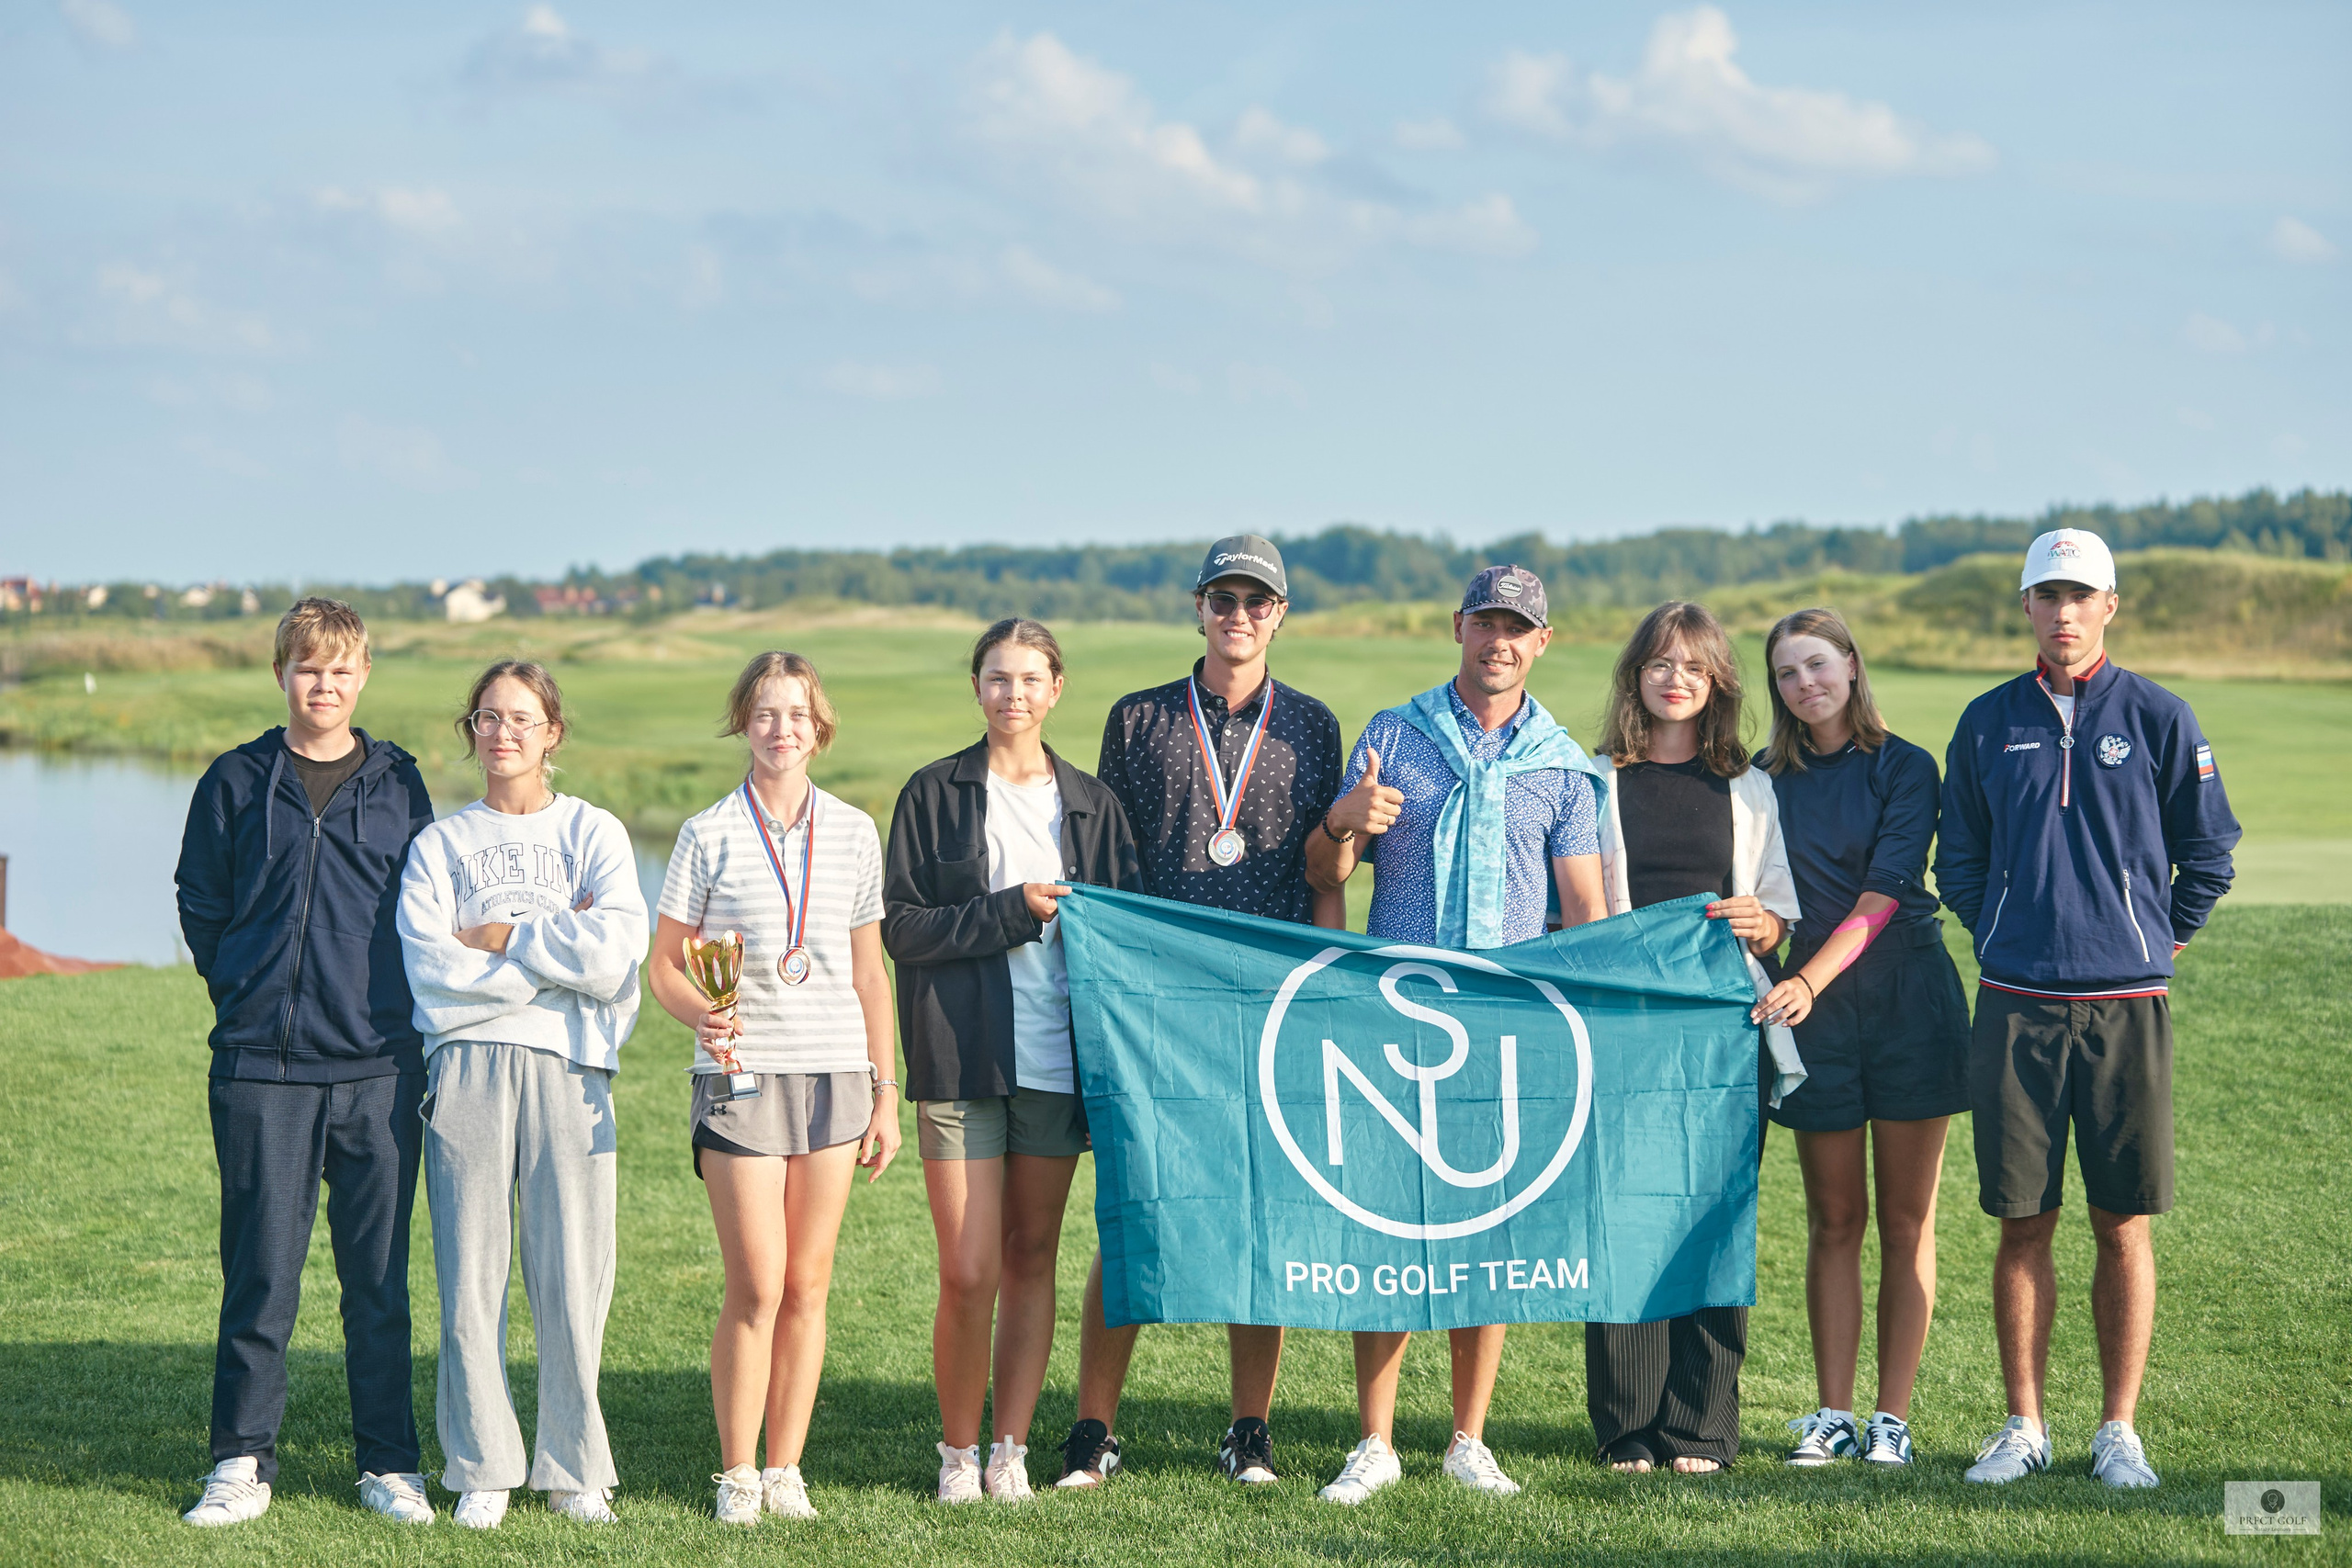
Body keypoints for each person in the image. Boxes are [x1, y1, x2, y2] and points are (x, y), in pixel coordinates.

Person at [1935, 529, 2238, 1491]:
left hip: (2125, 1007)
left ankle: (2117, 1431)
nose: (2062, 613)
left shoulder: (2157, 715)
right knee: (2020, 1222)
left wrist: (2159, 940)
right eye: (2046, 596)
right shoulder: (1986, 721)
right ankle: (2023, 1425)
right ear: (2024, 607)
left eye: (2080, 596)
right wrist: (1997, 938)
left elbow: (2210, 851)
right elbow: (1962, 861)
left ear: (2110, 605)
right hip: (2016, 1004)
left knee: (2122, 1225)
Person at [1307, 564, 1610, 1504]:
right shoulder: (1394, 736)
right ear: (1458, 628)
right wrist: (1343, 821)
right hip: (1391, 1018)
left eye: (1518, 628)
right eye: (1486, 624)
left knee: (1488, 1231)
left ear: (1541, 642)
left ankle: (1468, 1438)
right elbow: (1325, 871)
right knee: (1389, 1226)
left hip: (1504, 1032)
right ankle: (1374, 1440)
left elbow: (1585, 916)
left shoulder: (1562, 765)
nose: (1499, 643)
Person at [1058, 534, 1347, 1491]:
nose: (1237, 616)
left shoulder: (1310, 725)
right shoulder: (1137, 720)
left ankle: (1248, 1430)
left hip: (1265, 1005)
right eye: (1222, 599)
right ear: (1198, 608)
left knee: (1257, 1217)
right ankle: (1095, 1426)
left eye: (1255, 602)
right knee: (1135, 1211)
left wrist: (1324, 983)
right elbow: (1108, 867)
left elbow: (1321, 868)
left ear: (1279, 615)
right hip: (1157, 1008)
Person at [173, 598, 438, 1528]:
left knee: (377, 1280)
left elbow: (423, 915)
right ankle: (240, 1461)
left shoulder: (401, 783)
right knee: (261, 1273)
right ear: (282, 674)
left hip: (377, 1068)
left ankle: (389, 1465)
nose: (322, 684)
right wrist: (242, 992)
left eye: (339, 669)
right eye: (306, 668)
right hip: (261, 1069)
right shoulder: (237, 779)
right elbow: (199, 899)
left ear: (363, 676)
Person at [883, 618, 1141, 1504]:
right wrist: (1009, 911)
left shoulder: (1094, 806)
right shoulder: (933, 793)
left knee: (1033, 1253)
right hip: (961, 1060)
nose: (1014, 694)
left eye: (1031, 678)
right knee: (968, 1268)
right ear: (977, 686)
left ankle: (1010, 1450)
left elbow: (1128, 931)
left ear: (1056, 688)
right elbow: (903, 930)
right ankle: (957, 1456)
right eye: (998, 678)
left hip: (1060, 1062)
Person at [645, 651, 903, 1526]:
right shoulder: (706, 832)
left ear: (819, 727)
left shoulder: (857, 831)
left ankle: (786, 1467)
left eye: (796, 713)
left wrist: (886, 1090)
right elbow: (666, 963)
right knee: (756, 1283)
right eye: (764, 712)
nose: (781, 727)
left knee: (809, 1284)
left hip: (835, 1074)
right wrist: (701, 1016)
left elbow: (870, 973)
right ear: (743, 724)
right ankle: (737, 1471)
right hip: (740, 1079)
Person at [396, 660, 647, 1528]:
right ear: (471, 731)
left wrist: (504, 935)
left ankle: (576, 1464)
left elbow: (614, 957)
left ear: (553, 733)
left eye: (522, 719)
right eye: (488, 718)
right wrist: (551, 964)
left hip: (572, 1068)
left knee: (573, 1273)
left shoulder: (596, 832)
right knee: (471, 1273)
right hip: (465, 1066)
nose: (503, 733)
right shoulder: (439, 845)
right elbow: (432, 974)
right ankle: (483, 1466)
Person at [1584, 600, 1801, 1478]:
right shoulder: (1594, 776)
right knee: (1625, 1218)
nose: (1676, 679)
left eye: (1695, 667)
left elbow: (1778, 909)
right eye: (1661, 664)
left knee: (1714, 1223)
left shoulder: (1747, 787)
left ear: (1717, 683)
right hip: (1627, 1029)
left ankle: (1701, 1427)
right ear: (1636, 674)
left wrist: (1765, 923)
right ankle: (1627, 1428)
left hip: (1722, 1028)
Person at [1747, 610, 1969, 1470]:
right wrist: (1787, 970)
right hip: (1816, 1017)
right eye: (1787, 674)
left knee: (1907, 1221)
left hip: (1908, 997)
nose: (1806, 684)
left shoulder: (1908, 767)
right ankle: (1832, 1412)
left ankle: (1891, 1419)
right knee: (1835, 1218)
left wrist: (1808, 977)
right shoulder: (1765, 776)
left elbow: (1883, 895)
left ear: (1851, 663)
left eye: (1818, 664)